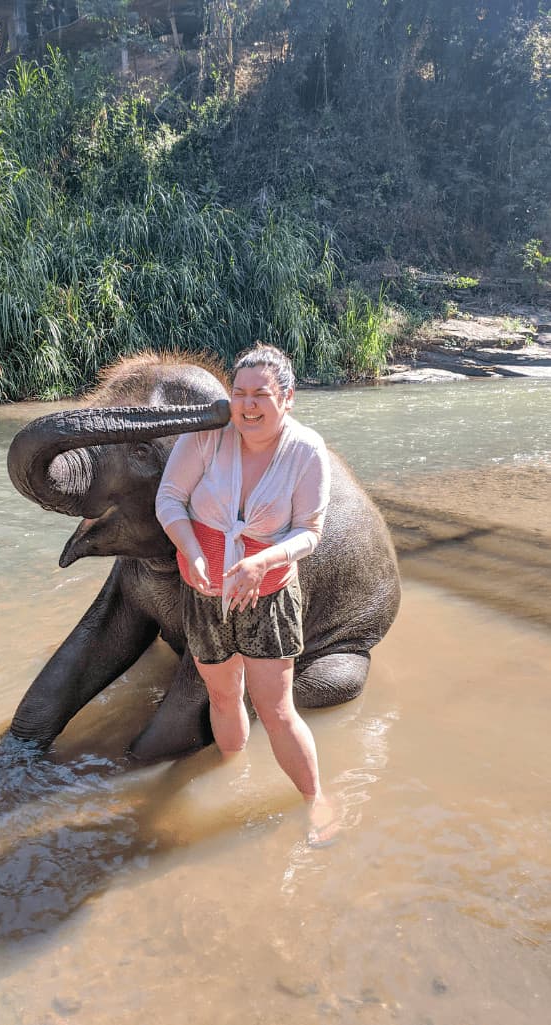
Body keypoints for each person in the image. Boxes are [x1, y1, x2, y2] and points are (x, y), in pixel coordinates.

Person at [155, 343, 339, 846]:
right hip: (204, 589)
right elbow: (169, 498)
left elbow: (309, 532)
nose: (248, 405)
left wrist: (262, 561)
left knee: (277, 710)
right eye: (239, 393)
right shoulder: (206, 438)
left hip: (268, 592)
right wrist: (190, 549)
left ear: (288, 398)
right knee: (221, 692)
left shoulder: (306, 451)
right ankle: (234, 770)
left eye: (261, 394)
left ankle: (314, 797)